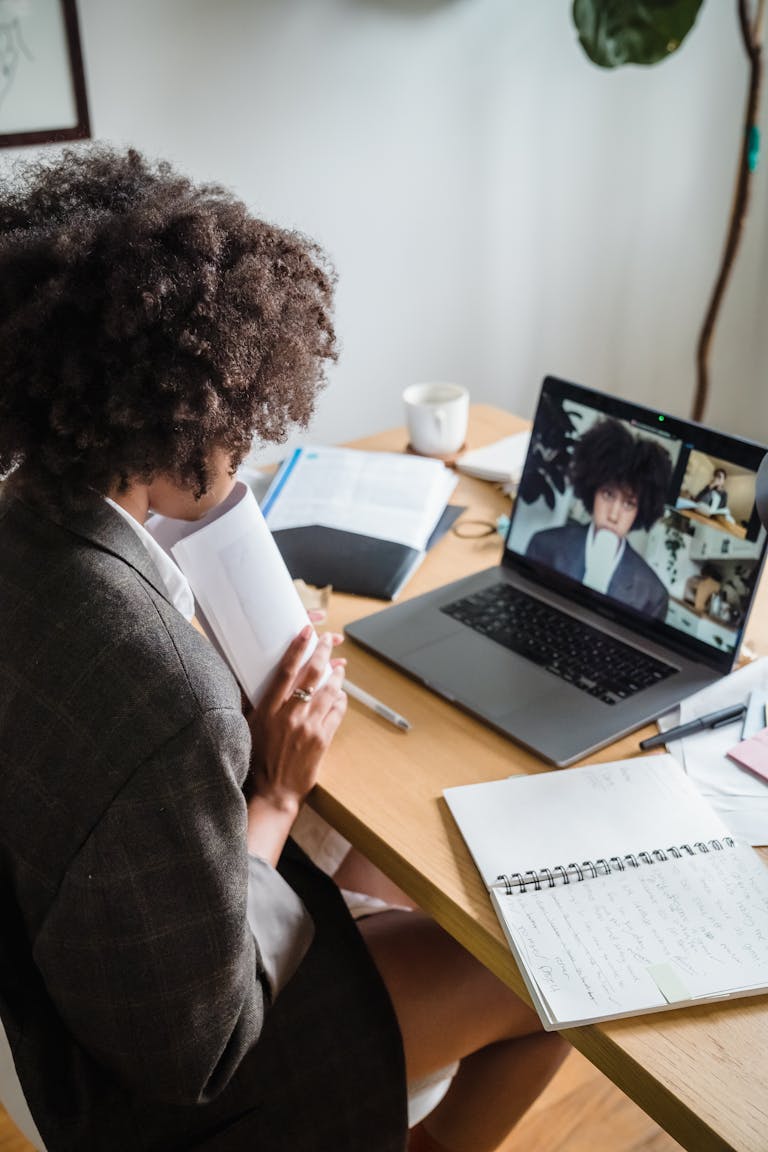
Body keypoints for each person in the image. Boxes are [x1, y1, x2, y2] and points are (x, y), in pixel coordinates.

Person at [0, 147, 567, 1152]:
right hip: (166, 1085)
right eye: (237, 415)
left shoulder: (19, 519)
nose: (246, 442)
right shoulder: (166, 692)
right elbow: (200, 1048)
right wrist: (276, 796)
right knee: (553, 964)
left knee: (397, 870)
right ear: (173, 415)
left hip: (52, 998)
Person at [526, 417, 672, 620]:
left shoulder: (653, 595)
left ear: (642, 510)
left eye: (628, 504)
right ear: (592, 491)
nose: (613, 515)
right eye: (608, 495)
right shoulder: (544, 546)